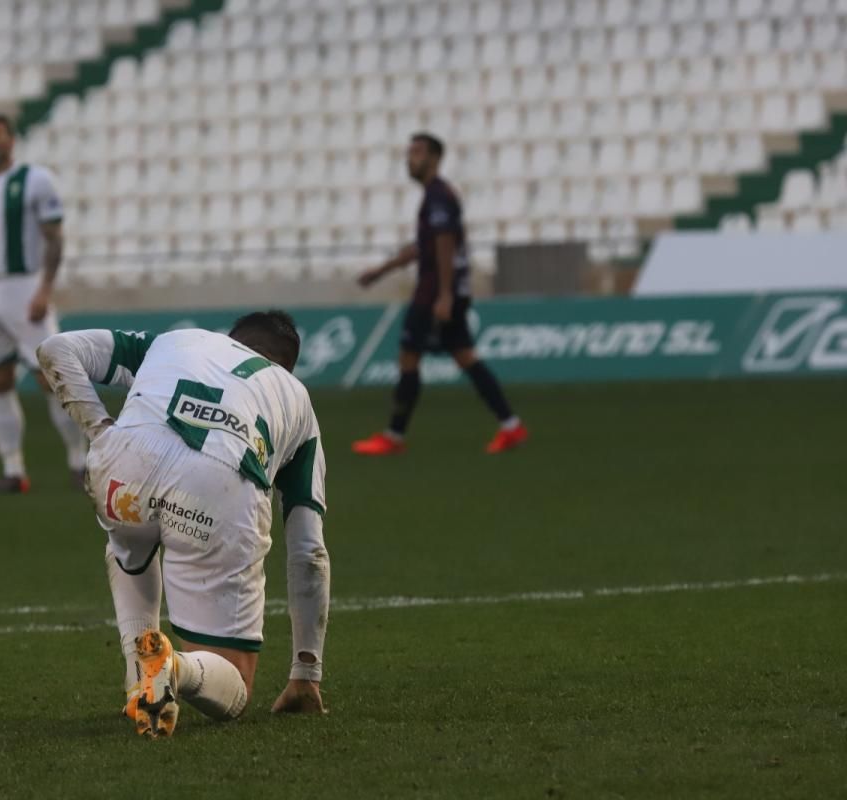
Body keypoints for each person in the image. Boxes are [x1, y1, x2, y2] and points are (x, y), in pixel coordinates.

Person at [36, 310, 330, 738]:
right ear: (284, 365)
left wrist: (100, 433)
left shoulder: (176, 341)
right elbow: (309, 552)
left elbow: (55, 350)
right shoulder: (295, 397)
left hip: (124, 466)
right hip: (218, 488)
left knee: (127, 547)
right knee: (234, 685)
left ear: (231, 338)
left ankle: (140, 678)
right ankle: (172, 668)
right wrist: (307, 671)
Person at [353, 133, 528, 456]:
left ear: (434, 157)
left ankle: (394, 436)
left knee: (409, 356)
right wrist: (382, 271)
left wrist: (444, 295)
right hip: (444, 291)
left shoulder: (439, 196)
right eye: (409, 152)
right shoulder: (434, 196)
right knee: (465, 357)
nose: (410, 158)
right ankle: (511, 425)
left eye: (417, 152)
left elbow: (445, 246)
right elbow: (424, 247)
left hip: (435, 293)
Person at [0, 112, 88, 494]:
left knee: (51, 378)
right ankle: (14, 470)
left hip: (25, 288)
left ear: (11, 139)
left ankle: (79, 461)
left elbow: (55, 238)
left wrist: (45, 289)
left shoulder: (36, 181)